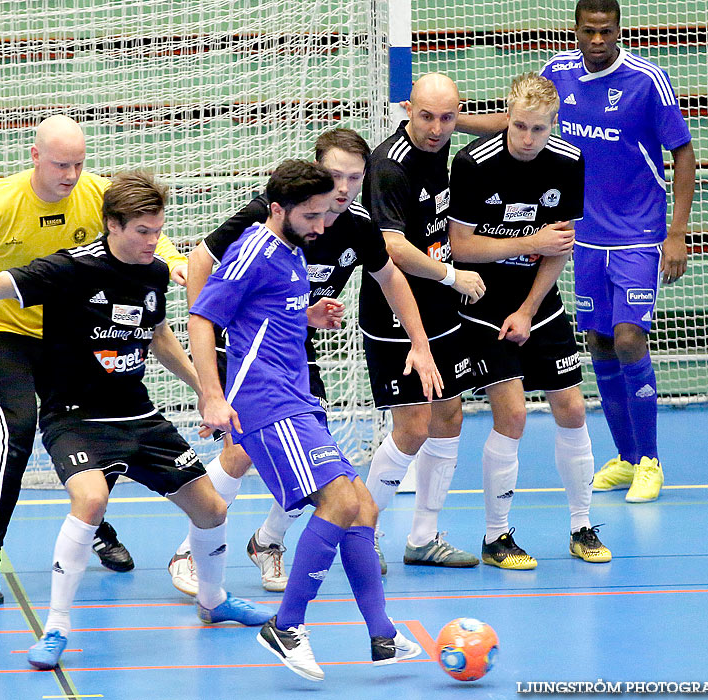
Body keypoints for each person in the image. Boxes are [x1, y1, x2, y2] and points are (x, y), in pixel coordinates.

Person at [0, 170, 272, 671]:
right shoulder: (70, 269)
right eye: (142, 232)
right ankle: (58, 627)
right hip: (77, 417)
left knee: (213, 509)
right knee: (91, 499)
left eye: (158, 231)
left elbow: (158, 336)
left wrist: (206, 391)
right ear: (112, 224)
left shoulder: (152, 273)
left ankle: (213, 602)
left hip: (139, 414)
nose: (153, 242)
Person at [0, 116, 190, 604]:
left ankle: (97, 526)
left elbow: (147, 232)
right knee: (15, 432)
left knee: (94, 427)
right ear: (35, 156)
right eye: (62, 164)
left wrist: (177, 262)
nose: (71, 174)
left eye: (79, 164)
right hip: (5, 331)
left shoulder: (97, 195)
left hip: (70, 334)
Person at [168, 128, 441, 595]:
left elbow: (391, 277)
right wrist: (215, 339)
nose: (343, 187)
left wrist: (420, 342)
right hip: (249, 348)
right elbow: (200, 261)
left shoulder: (356, 225)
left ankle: (267, 541)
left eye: (354, 178)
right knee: (242, 452)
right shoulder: (272, 215)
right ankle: (190, 550)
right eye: (334, 175)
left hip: (295, 343)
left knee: (317, 459)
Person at [189, 160, 422, 681]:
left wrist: (307, 315)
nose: (321, 227)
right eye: (311, 216)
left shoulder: (293, 253)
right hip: (265, 401)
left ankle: (382, 633)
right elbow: (203, 318)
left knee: (361, 505)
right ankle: (286, 626)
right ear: (278, 209)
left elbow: (266, 312)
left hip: (296, 396)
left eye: (324, 215)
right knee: (339, 501)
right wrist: (212, 396)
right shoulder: (254, 250)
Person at [361, 73, 571, 572]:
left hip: (440, 309)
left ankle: (423, 537)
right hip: (395, 308)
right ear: (407, 109)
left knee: (449, 416)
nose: (436, 129)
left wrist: (526, 117)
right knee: (412, 427)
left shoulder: (448, 147)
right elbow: (391, 247)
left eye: (448, 118)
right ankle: (360, 529)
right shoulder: (390, 168)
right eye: (427, 116)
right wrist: (452, 274)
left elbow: (508, 121)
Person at [449, 73, 611, 568]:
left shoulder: (568, 161)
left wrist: (528, 309)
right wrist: (526, 244)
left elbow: (559, 248)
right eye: (518, 126)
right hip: (481, 306)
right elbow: (461, 246)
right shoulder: (472, 162)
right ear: (506, 116)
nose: (526, 139)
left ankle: (581, 526)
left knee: (573, 409)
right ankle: (496, 537)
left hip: (536, 303)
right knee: (513, 415)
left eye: (538, 130)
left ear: (553, 125)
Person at [541, 0, 696, 502]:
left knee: (630, 339)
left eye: (607, 32)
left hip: (639, 234)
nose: (598, 40)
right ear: (577, 31)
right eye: (590, 31)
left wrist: (677, 233)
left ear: (618, 31)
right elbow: (520, 122)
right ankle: (627, 460)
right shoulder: (556, 75)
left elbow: (684, 154)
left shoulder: (649, 80)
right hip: (583, 236)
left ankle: (651, 460)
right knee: (600, 342)